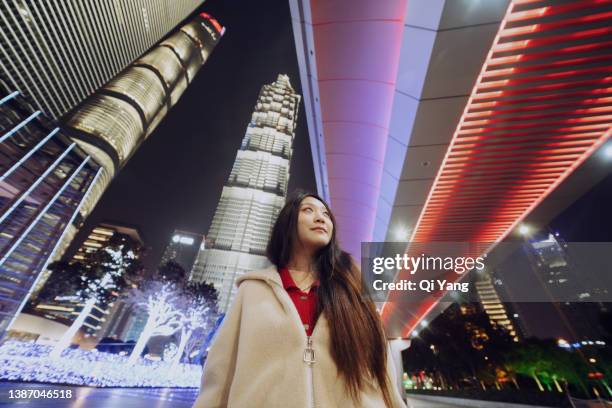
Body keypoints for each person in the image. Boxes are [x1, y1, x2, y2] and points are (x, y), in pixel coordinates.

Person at [193, 191, 406, 407]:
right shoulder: (252, 290)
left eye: (326, 214)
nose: (321, 218)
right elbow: (220, 373)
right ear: (288, 223)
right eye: (308, 210)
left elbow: (382, 366)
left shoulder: (352, 287)